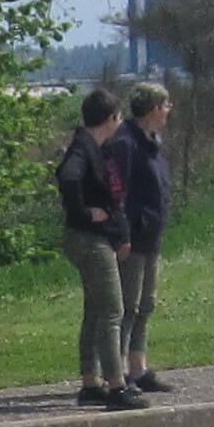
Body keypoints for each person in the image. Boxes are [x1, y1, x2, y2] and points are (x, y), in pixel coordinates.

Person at [54, 91, 140, 409]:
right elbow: (68, 177)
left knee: (95, 309)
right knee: (113, 311)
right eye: (118, 117)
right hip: (89, 240)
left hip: (91, 238)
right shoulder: (83, 148)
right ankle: (117, 387)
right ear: (111, 118)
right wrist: (85, 213)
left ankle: (91, 382)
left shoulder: (95, 148)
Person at [113, 83, 174, 393]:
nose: (168, 111)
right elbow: (117, 193)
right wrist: (122, 235)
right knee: (128, 306)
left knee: (146, 304)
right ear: (154, 109)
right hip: (132, 238)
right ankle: (118, 371)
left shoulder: (152, 142)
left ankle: (139, 368)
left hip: (151, 236)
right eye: (166, 106)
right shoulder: (126, 143)